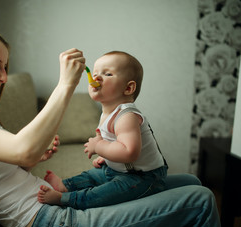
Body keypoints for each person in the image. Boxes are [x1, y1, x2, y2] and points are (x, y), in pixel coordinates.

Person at [0, 23, 223, 227]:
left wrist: (36, 157)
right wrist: (66, 84)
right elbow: (21, 149)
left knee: (193, 181)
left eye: (5, 67)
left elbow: (17, 162)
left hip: (48, 205)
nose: (4, 77)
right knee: (202, 199)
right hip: (53, 223)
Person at [37, 51, 168, 210]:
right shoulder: (107, 112)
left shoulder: (127, 116)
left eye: (107, 74)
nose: (97, 77)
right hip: (122, 170)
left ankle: (65, 198)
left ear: (128, 88)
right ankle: (65, 185)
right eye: (96, 72)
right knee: (92, 175)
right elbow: (113, 141)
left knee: (103, 193)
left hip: (143, 177)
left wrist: (99, 147)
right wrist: (106, 157)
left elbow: (129, 152)